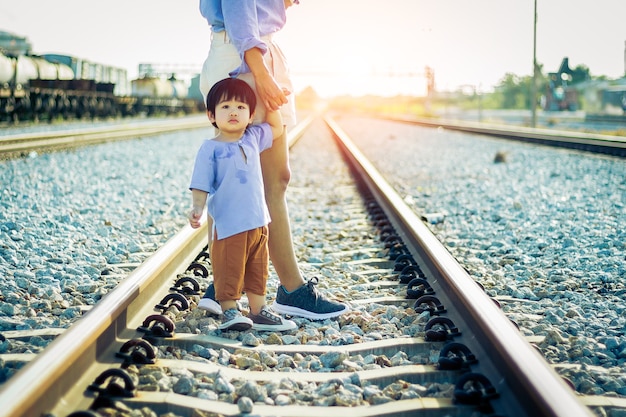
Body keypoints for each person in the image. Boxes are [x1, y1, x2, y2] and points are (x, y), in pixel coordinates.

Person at [196, 0, 349, 320]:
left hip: (253, 50)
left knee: (273, 179)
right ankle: (280, 289)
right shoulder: (251, 57)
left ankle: (228, 284)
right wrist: (260, 71)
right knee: (244, 181)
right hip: (246, 55)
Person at [188, 77, 297, 332]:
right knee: (229, 267)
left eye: (241, 107)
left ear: (250, 116)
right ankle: (229, 310)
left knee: (257, 269)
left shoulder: (253, 138)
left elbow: (277, 128)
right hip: (229, 223)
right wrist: (197, 208)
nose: (233, 112)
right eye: (225, 107)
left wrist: (273, 101)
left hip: (258, 221)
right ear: (211, 115)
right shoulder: (210, 148)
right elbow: (200, 182)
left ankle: (258, 311)